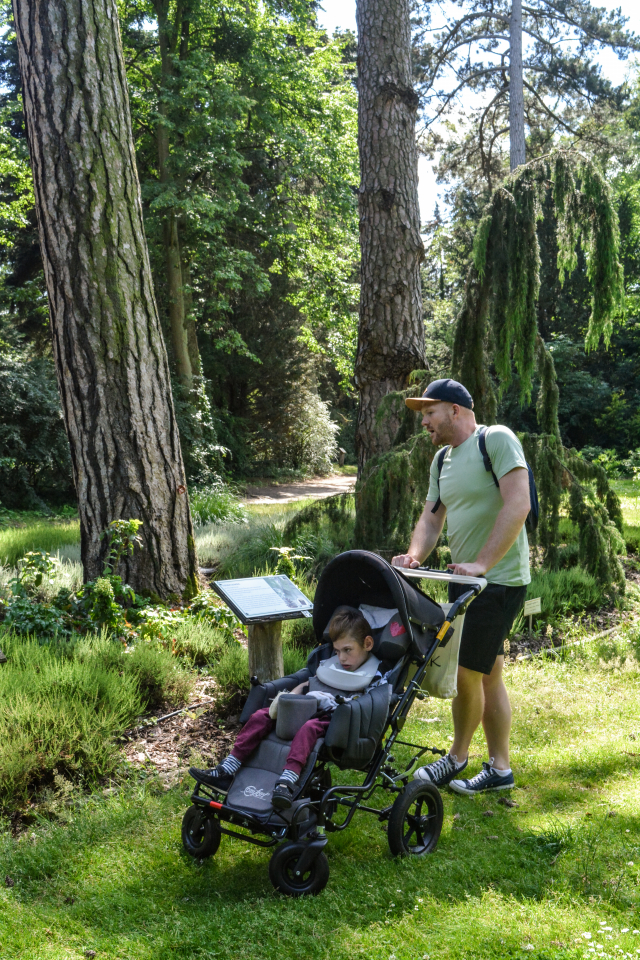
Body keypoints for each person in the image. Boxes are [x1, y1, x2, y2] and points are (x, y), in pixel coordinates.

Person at [392, 378, 531, 795]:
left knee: (467, 672)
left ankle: (455, 759)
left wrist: (482, 564)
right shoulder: (441, 460)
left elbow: (518, 502)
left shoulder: (497, 440)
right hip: (464, 580)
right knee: (488, 674)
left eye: (429, 413)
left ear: (455, 410)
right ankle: (500, 769)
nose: (424, 423)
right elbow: (432, 517)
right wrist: (414, 556)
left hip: (497, 581)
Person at [190, 608, 391, 810]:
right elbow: (307, 683)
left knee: (308, 729)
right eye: (337, 651)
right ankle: (228, 769)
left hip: (334, 718)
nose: (342, 658)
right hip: (306, 706)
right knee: (261, 716)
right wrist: (291, 698)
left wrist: (330, 701)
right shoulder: (329, 664)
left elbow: (369, 703)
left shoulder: (375, 676)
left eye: (347, 650)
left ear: (367, 644)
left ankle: (287, 781)